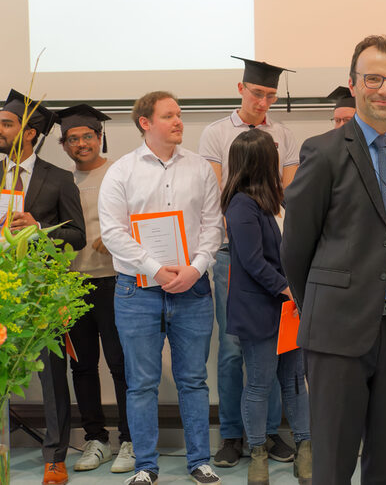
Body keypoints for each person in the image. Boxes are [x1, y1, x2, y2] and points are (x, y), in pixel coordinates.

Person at [281, 34, 386, 484]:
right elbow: (295, 247)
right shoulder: (323, 151)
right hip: (337, 332)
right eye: (373, 79)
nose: (384, 89)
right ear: (353, 83)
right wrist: (320, 307)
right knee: (333, 463)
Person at [98, 91, 223, 485]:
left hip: (192, 288)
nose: (178, 121)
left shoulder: (200, 168)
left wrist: (196, 269)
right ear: (145, 122)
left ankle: (199, 461)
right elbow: (112, 233)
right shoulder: (121, 171)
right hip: (138, 291)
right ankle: (145, 467)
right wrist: (156, 269)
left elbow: (213, 226)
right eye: (169, 115)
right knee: (141, 384)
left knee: (193, 380)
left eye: (179, 115)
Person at [199, 56, 300, 467]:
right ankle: (231, 435)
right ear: (241, 88)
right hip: (232, 254)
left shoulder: (283, 135)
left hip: (276, 255)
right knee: (232, 349)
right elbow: (215, 192)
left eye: (271, 95)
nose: (263, 102)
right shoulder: (216, 133)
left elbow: (287, 193)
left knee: (275, 348)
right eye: (257, 93)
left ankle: (268, 432)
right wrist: (246, 228)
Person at [0, 89, 86, 485]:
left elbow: (78, 235)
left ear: (30, 132)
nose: (0, 130)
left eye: (7, 124)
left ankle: (55, 457)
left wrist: (39, 229)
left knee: (51, 376)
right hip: (2, 286)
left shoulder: (59, 178)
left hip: (40, 291)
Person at [221, 128, 312, 484]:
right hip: (261, 309)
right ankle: (258, 455)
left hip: (289, 309)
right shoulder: (241, 204)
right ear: (262, 160)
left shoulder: (279, 201)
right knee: (259, 384)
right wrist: (287, 289)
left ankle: (305, 449)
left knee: (295, 382)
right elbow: (252, 260)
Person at [56, 104, 134, 474]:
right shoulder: (60, 180)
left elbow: (142, 216)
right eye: (73, 139)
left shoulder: (120, 172)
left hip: (116, 281)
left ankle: (130, 440)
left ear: (100, 137)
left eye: (88, 136)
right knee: (83, 365)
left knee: (121, 364)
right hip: (73, 284)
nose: (81, 144)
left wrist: (119, 236)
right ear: (64, 145)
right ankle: (95, 439)